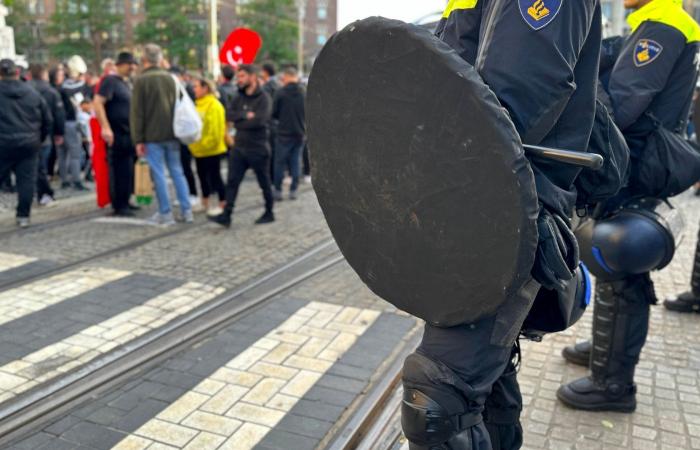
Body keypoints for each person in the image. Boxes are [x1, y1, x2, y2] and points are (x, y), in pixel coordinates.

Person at [394, 2, 603, 449]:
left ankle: (615, 383)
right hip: (473, 211)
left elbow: (510, 100)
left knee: (439, 399)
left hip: (500, 215)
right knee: (486, 383)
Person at [558, 0, 700, 412]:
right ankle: (605, 348)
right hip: (635, 159)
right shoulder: (653, 22)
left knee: (622, 268)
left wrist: (584, 84)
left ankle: (613, 384)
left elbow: (620, 105)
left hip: (637, 162)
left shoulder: (663, 24)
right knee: (610, 263)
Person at [130, 44, 193, 226]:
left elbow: (137, 113)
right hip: (173, 132)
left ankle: (165, 212)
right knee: (177, 171)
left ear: (145, 60)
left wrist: (138, 139)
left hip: (152, 135)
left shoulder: (141, 81)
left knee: (158, 174)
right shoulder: (171, 78)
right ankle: (186, 209)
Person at [209, 64, 274, 228]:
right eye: (238, 77)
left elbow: (260, 121)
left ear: (253, 77)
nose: (239, 80)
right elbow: (229, 114)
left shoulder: (264, 98)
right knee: (232, 181)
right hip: (239, 148)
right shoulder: (239, 96)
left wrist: (240, 122)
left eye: (242, 76)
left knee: (264, 181)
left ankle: (269, 211)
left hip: (258, 148)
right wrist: (245, 116)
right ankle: (227, 215)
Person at [0, 59, 51, 228]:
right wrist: (39, 138)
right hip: (29, 143)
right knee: (26, 181)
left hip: (3, 143)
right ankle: (23, 216)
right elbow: (46, 119)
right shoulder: (32, 92)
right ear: (17, 73)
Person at [94, 52, 138, 217]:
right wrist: (105, 127)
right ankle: (119, 204)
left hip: (128, 132)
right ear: (120, 65)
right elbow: (98, 103)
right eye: (129, 64)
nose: (132, 67)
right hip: (117, 133)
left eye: (134, 64)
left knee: (128, 169)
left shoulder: (127, 83)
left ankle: (126, 200)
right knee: (119, 169)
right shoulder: (110, 82)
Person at [29, 63, 65, 207]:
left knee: (31, 168)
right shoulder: (51, 92)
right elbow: (57, 115)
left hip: (28, 132)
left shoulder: (27, 90)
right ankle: (44, 194)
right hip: (43, 134)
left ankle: (36, 193)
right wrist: (59, 132)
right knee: (41, 167)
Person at [191, 77, 227, 214]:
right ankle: (205, 202)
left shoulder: (214, 105)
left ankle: (223, 203)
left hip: (212, 149)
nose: (194, 89)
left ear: (205, 88)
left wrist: (207, 144)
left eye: (196, 86)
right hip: (198, 148)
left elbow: (216, 130)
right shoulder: (196, 104)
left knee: (215, 177)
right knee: (201, 176)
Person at [272, 66, 305, 201]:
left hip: (284, 133)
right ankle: (293, 190)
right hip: (300, 132)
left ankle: (278, 190)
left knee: (279, 163)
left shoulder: (280, 92)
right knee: (295, 162)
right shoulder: (304, 92)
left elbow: (274, 113)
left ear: (286, 77)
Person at [59, 55, 92, 191]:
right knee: (75, 154)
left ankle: (64, 180)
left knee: (63, 153)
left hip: (61, 123)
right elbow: (82, 104)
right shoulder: (79, 87)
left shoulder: (62, 86)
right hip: (73, 122)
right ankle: (76, 180)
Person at [170, 66, 200, 210]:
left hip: (185, 132)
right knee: (180, 165)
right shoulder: (178, 90)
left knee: (185, 165)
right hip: (179, 132)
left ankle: (192, 193)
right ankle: (186, 194)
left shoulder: (185, 90)